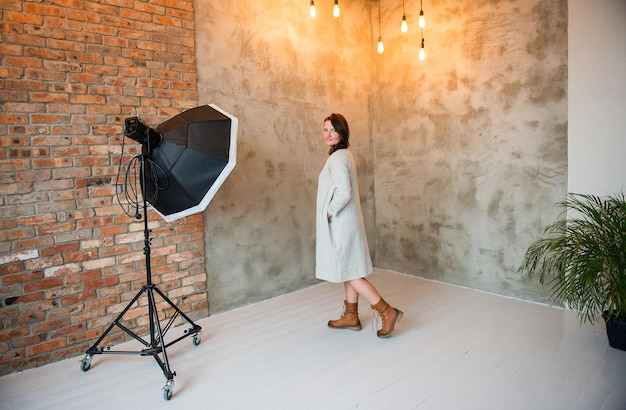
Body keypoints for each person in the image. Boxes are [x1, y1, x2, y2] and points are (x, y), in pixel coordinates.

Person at [315, 113, 403, 338]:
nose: (328, 134)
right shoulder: (345, 155)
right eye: (325, 129)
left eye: (333, 130)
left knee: (351, 272)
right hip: (348, 222)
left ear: (342, 133)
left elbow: (344, 191)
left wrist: (329, 211)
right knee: (349, 268)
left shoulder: (337, 158)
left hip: (342, 223)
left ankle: (387, 311)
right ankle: (351, 316)